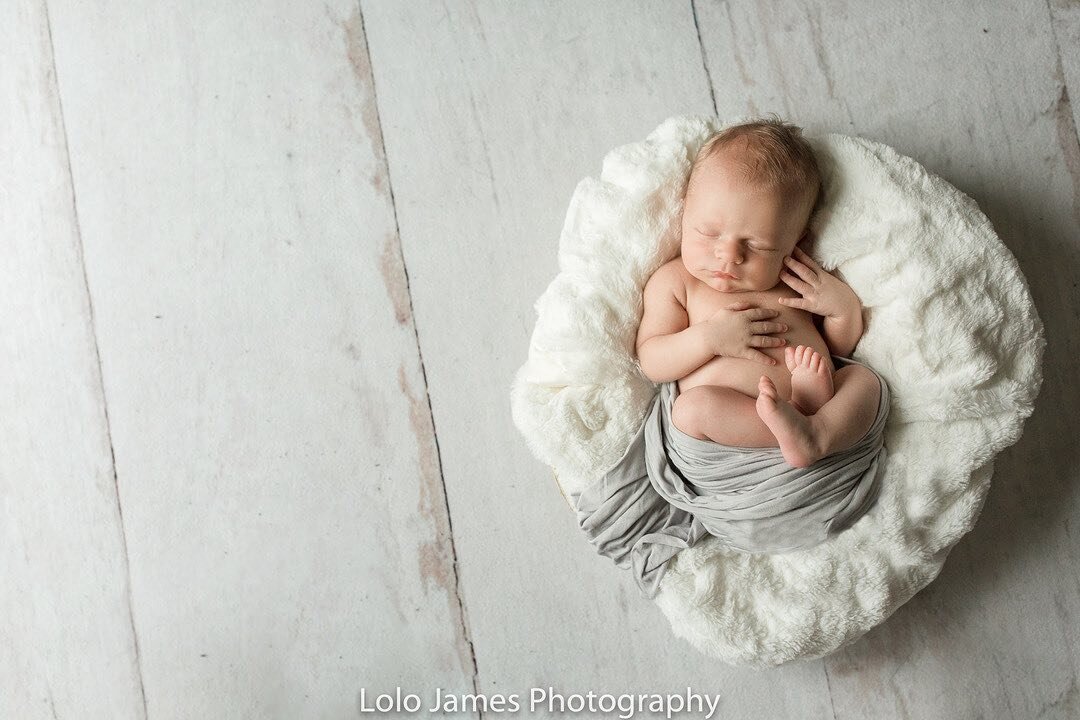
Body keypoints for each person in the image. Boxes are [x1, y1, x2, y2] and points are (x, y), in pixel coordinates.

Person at [635, 115, 882, 468]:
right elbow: (652, 361)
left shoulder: (794, 278)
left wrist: (843, 311)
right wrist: (708, 339)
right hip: (730, 432)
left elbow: (838, 349)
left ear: (795, 241)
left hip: (815, 406)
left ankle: (816, 429)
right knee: (690, 410)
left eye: (758, 245)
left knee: (863, 380)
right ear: (684, 210)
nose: (730, 255)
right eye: (708, 232)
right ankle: (794, 430)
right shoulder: (677, 282)